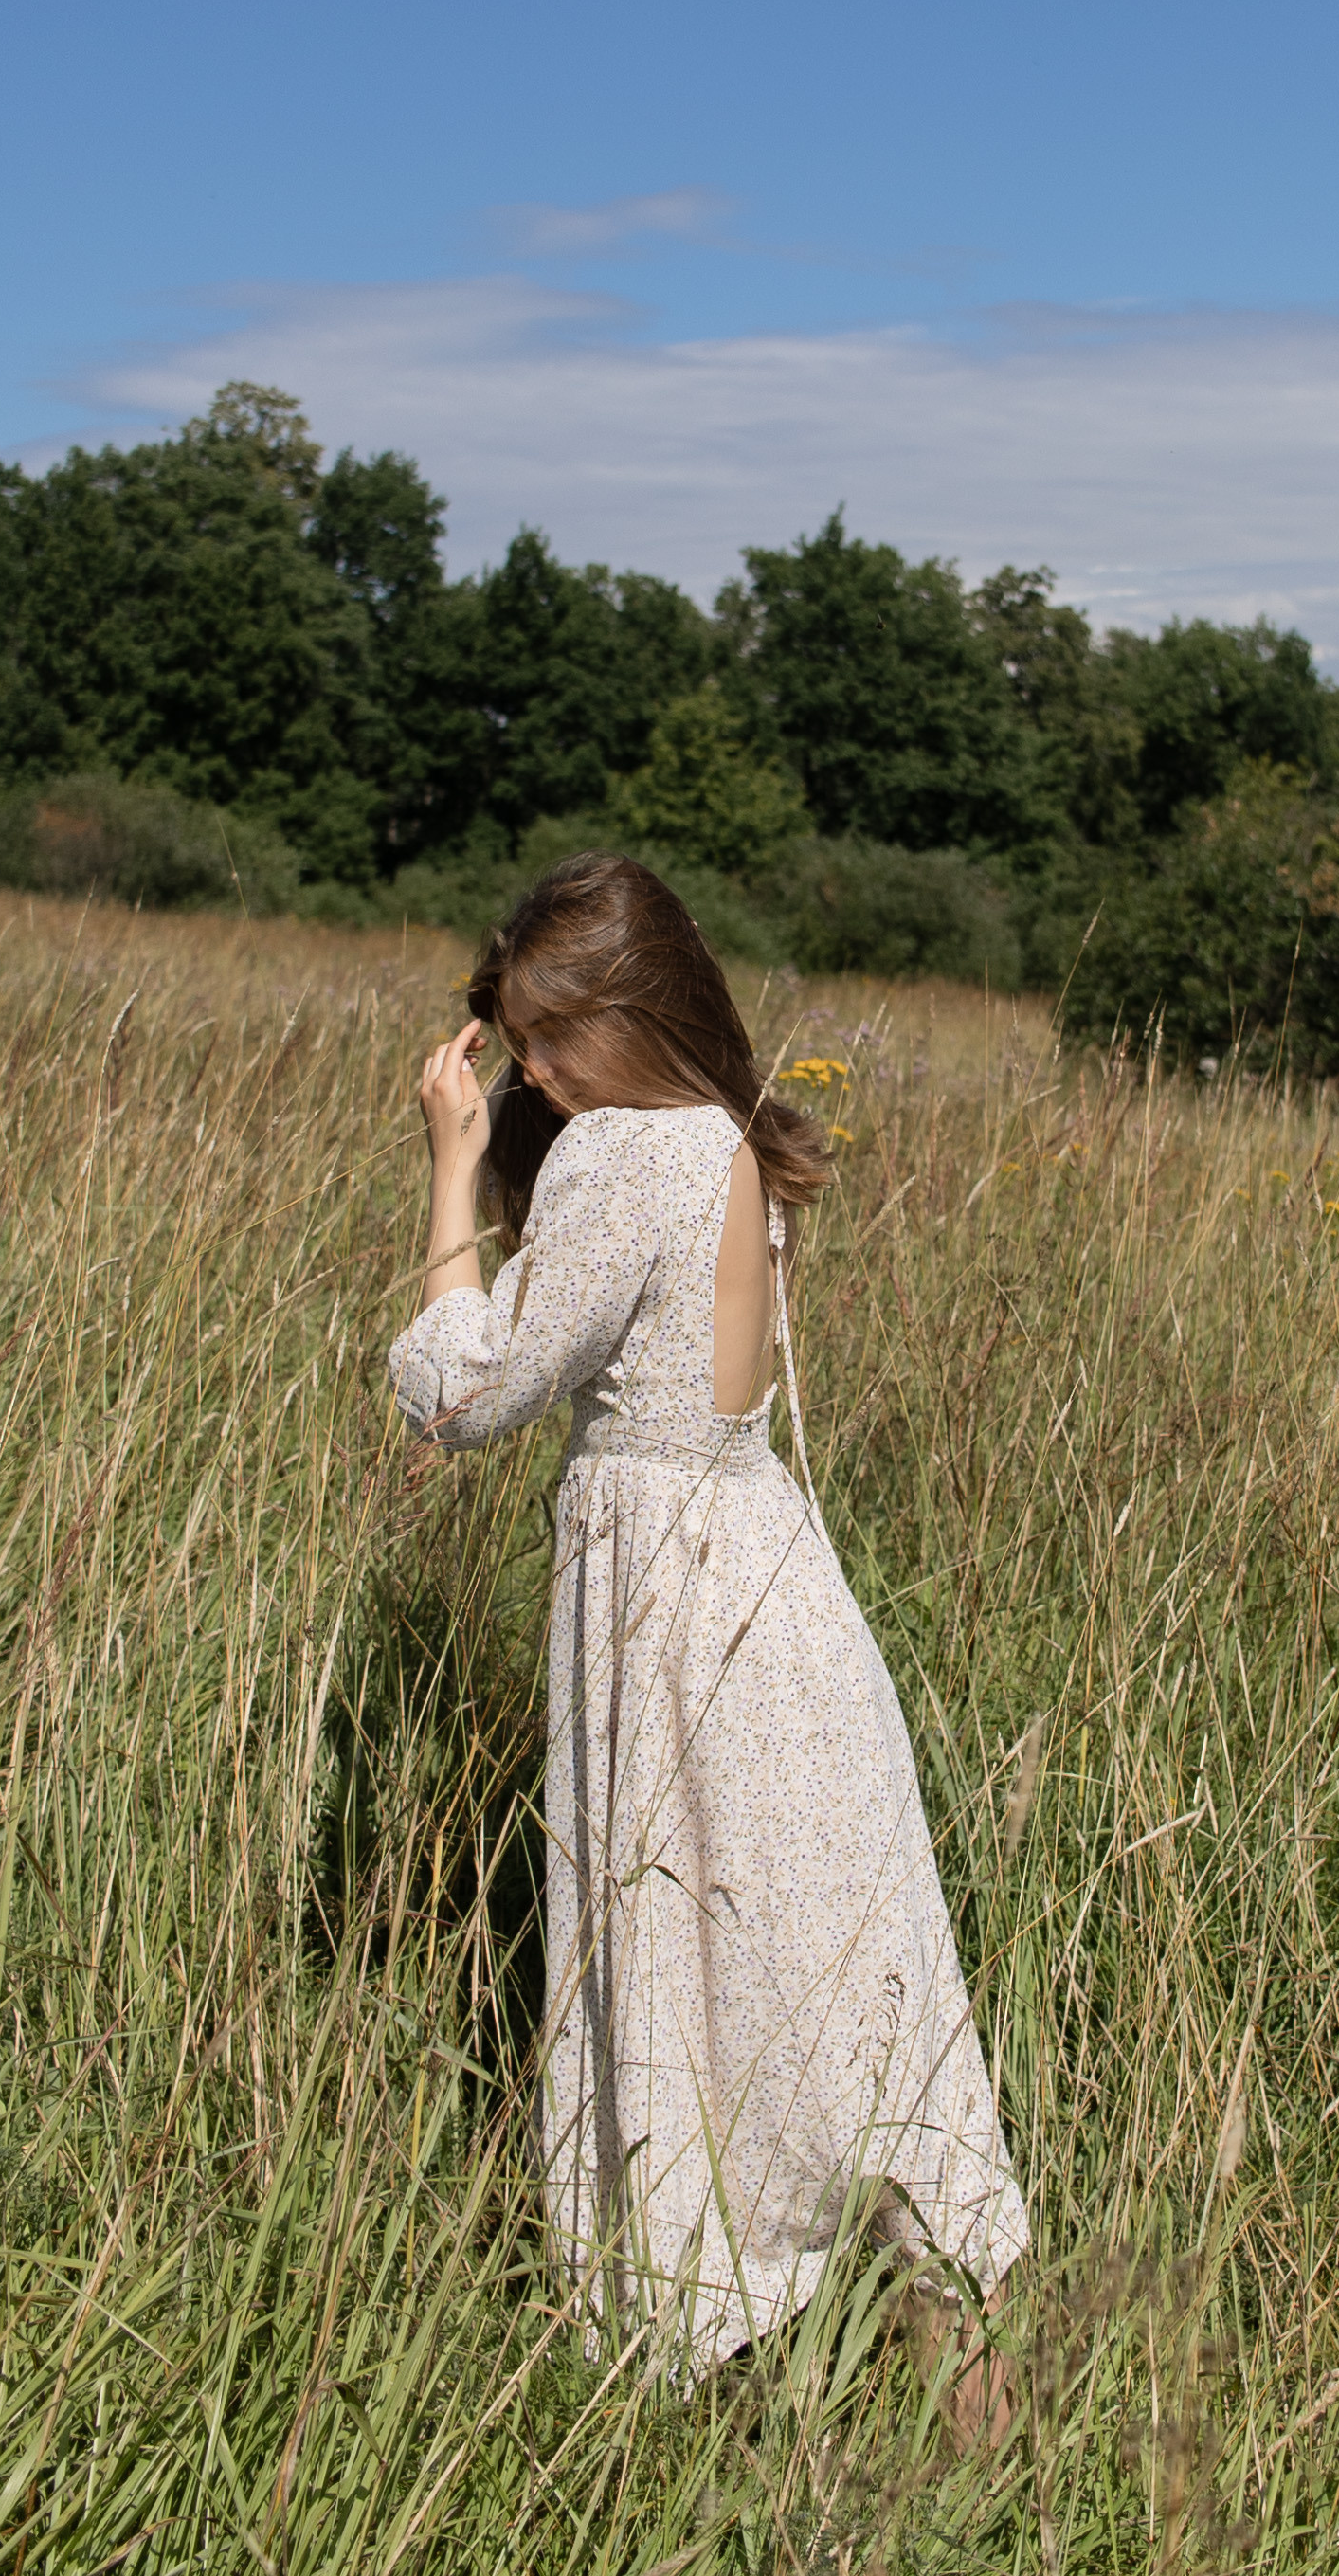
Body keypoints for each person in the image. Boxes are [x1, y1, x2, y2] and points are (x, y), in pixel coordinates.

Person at [388, 852, 1028, 2434]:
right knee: (839, 1995)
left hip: (675, 1618)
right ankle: (971, 2433)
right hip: (777, 1592)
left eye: (553, 1034)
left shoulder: (622, 1155)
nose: (532, 1067)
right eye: (516, 1038)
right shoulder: (730, 1142)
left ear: (633, 1011)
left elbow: (466, 1398)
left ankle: (703, 2396)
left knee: (691, 1983)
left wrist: (454, 1172)